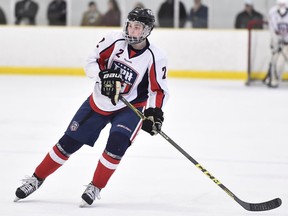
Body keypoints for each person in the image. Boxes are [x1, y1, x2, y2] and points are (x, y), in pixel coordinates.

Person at [14, 7, 169, 207]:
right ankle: (36, 178)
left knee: (117, 144)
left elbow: (158, 90)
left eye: (137, 27)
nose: (132, 31)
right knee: (68, 143)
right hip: (99, 102)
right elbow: (91, 61)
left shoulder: (156, 56)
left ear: (147, 30)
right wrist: (102, 75)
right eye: (130, 26)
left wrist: (154, 114)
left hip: (129, 107)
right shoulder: (113, 40)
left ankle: (95, 186)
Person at [263, 0, 288, 87]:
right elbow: (272, 28)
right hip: (277, 41)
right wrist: (276, 40)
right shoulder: (273, 12)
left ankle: (276, 78)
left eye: (283, 4)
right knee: (274, 60)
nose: (281, 6)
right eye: (280, 4)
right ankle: (273, 78)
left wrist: (285, 40)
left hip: (287, 43)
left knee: (280, 62)